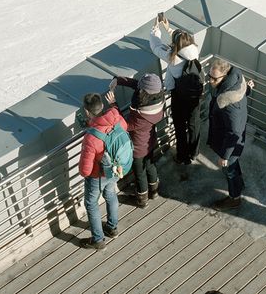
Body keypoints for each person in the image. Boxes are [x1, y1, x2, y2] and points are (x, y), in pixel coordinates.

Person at [78, 92, 129, 249]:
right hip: (116, 168)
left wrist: (91, 129)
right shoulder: (116, 118)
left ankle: (98, 240)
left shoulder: (91, 138)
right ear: (102, 106)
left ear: (87, 112)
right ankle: (112, 228)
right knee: (110, 193)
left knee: (91, 203)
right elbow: (124, 127)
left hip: (98, 175)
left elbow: (85, 171)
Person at [150, 17, 202, 165]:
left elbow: (155, 46)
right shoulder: (194, 51)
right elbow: (183, 42)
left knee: (180, 128)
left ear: (175, 44)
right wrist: (170, 29)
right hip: (194, 96)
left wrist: (156, 28)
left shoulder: (172, 58)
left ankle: (183, 156)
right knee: (194, 125)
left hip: (179, 97)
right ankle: (194, 152)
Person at [108, 73, 164, 207]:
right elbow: (138, 84)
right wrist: (119, 80)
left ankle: (142, 199)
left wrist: (114, 105)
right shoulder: (156, 99)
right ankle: (154, 191)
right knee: (150, 166)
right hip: (150, 143)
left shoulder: (141, 117)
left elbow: (124, 125)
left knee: (140, 174)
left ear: (144, 93)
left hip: (138, 148)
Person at [207, 58, 251, 210]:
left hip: (228, 143)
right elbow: (243, 92)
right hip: (231, 140)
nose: (210, 81)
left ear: (225, 77)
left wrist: (225, 156)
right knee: (234, 166)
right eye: (209, 76)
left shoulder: (228, 101)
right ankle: (239, 185)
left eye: (214, 78)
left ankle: (234, 198)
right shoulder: (236, 81)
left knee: (230, 169)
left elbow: (234, 132)